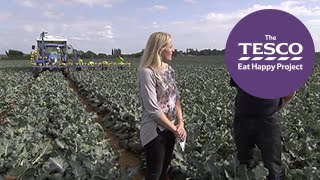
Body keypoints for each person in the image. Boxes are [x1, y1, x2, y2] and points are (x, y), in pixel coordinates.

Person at [137, 32, 186, 180]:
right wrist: (175, 129)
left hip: (170, 129)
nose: (173, 49)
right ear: (159, 49)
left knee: (164, 171)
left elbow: (175, 98)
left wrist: (181, 123)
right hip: (155, 131)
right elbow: (153, 110)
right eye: (170, 46)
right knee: (154, 173)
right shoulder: (147, 73)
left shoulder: (169, 70)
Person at [230, 78, 295, 180]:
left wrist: (270, 110)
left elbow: (290, 91)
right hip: (243, 118)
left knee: (273, 168)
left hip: (265, 121)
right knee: (243, 164)